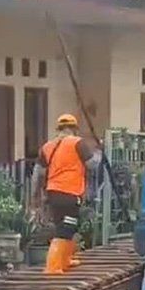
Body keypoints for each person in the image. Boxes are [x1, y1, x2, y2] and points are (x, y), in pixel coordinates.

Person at [31, 114, 99, 274]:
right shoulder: (78, 143)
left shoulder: (47, 146)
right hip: (70, 192)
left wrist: (36, 197)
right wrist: (96, 152)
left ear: (58, 129)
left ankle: (65, 259)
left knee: (67, 225)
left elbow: (37, 174)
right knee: (65, 229)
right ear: (75, 128)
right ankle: (53, 266)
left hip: (53, 193)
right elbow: (92, 165)